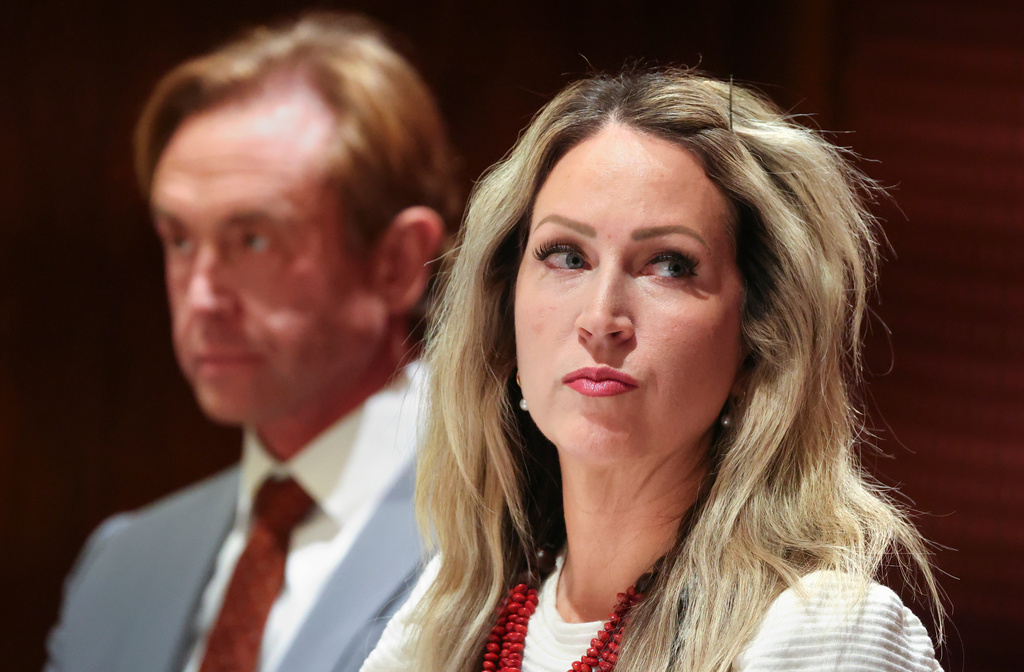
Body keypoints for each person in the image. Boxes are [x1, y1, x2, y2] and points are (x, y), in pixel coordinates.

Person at [361, 69, 944, 672]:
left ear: (757, 342)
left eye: (669, 265)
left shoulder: (824, 635)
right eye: (567, 256)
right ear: (503, 318)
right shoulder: (445, 613)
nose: (601, 316)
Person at [45, 12, 459, 672]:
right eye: (179, 239)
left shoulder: (517, 527)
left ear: (398, 262)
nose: (202, 297)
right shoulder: (120, 565)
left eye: (253, 240)